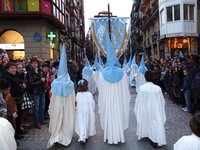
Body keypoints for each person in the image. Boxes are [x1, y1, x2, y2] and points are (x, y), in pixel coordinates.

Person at [97, 33, 130, 144]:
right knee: (118, 116)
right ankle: (119, 136)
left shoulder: (102, 74)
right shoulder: (123, 73)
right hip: (119, 100)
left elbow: (100, 89)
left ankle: (109, 136)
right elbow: (126, 89)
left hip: (107, 100)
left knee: (109, 117)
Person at [47, 44, 75, 148]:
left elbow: (51, 96)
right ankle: (64, 136)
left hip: (57, 106)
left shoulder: (55, 83)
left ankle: (57, 136)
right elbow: (72, 97)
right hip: (67, 106)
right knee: (66, 119)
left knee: (57, 119)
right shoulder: (70, 83)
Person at [134, 71, 167, 148]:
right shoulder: (157, 88)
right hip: (155, 109)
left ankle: (148, 134)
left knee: (146, 120)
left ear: (145, 78)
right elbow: (162, 101)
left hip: (145, 108)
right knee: (155, 123)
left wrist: (139, 109)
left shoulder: (142, 88)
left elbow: (138, 101)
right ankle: (153, 136)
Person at [75, 79, 96, 146]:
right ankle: (83, 137)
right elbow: (92, 103)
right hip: (87, 111)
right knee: (87, 123)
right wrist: (91, 109)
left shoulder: (78, 94)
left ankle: (83, 136)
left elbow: (76, 103)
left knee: (81, 123)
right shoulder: (89, 94)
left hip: (80, 111)